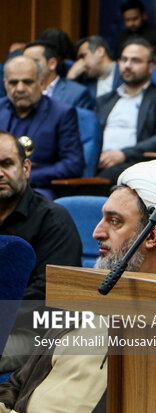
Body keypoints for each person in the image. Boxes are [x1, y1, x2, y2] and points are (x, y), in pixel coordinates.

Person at [0, 159, 156, 413]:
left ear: (151, 236)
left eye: (114, 221)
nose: (96, 232)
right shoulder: (87, 298)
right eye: (102, 219)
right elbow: (18, 382)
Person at [0, 130, 82, 372]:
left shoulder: (53, 219)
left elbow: (49, 295)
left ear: (26, 168)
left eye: (6, 164)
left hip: (34, 332)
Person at [95, 38, 156, 182]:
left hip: (135, 165)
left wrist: (124, 154)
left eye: (135, 61)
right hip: (98, 162)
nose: (127, 65)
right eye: (124, 60)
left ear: (151, 66)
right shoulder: (104, 100)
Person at [0, 55, 84, 196]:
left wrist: (24, 175)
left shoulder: (62, 114)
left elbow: (73, 164)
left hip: (38, 189)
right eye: (13, 83)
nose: (20, 88)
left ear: (42, 84)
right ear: (5, 84)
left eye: (27, 82)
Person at [23, 40, 93, 109]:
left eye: (33, 61)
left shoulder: (76, 93)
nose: (28, 66)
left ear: (52, 64)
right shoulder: (19, 90)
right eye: (25, 63)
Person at [115, 0, 156, 65]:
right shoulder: (121, 38)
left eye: (135, 19)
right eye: (127, 20)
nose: (131, 23)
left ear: (144, 15)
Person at [68, 36, 122, 100]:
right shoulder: (84, 80)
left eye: (83, 56)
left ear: (100, 51)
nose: (80, 63)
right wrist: (71, 77)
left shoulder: (124, 72)